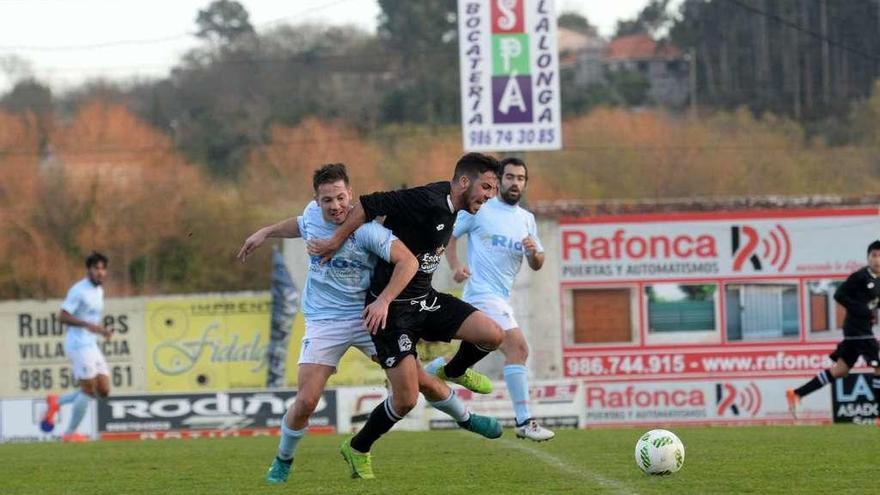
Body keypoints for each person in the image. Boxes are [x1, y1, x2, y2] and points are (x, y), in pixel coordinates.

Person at [236, 163, 501, 484]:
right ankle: (283, 458)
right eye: (327, 200)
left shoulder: (369, 231)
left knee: (420, 384)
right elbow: (300, 224)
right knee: (306, 400)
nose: (335, 206)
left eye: (340, 198)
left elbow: (407, 261)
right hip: (324, 321)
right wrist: (265, 231)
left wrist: (384, 300)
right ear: (316, 201)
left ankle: (466, 418)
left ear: (350, 195)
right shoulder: (311, 216)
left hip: (369, 316)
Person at [308, 153, 506, 479]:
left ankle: (454, 370)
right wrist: (334, 240)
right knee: (405, 400)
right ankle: (358, 448)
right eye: (486, 186)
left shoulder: (455, 206)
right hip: (391, 311)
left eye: (493, 189)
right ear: (465, 181)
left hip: (424, 300)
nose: (489, 195)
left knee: (492, 334)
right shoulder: (426, 198)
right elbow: (368, 205)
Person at [429, 157, 554, 441]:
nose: (515, 183)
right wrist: (455, 265)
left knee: (488, 347)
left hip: (501, 297)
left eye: (520, 178)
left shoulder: (526, 220)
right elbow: (450, 235)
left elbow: (538, 263)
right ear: (500, 181)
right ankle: (524, 422)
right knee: (518, 348)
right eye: (509, 177)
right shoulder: (482, 209)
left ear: (525, 183)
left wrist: (535, 253)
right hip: (481, 294)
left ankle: (441, 369)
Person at [786, 240, 880, 418]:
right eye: (873, 255)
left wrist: (871, 311)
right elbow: (839, 295)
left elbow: (874, 302)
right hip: (857, 331)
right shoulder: (860, 276)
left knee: (840, 370)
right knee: (879, 367)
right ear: (867, 258)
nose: (877, 260)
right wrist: (860, 309)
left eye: (879, 256)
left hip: (859, 332)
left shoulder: (878, 280)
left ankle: (797, 393)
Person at [41, 252, 113, 442]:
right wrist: (87, 326)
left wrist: (101, 331)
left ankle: (57, 401)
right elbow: (62, 316)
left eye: (103, 268)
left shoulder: (99, 291)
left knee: (104, 390)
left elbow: (91, 321)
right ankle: (70, 433)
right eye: (96, 268)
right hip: (78, 344)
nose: (100, 272)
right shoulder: (78, 290)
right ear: (88, 270)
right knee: (89, 390)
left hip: (91, 343)